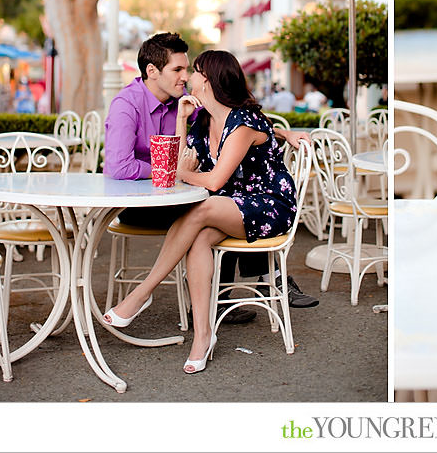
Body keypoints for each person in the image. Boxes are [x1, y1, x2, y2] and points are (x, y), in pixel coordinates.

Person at [104, 49, 305, 373]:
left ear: (208, 81)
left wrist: (179, 173)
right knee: (197, 239)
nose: (188, 77)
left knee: (199, 209)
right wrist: (182, 120)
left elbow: (212, 180)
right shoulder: (203, 120)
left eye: (194, 71)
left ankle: (141, 293)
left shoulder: (242, 122)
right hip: (231, 206)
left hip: (268, 205)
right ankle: (203, 336)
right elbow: (183, 157)